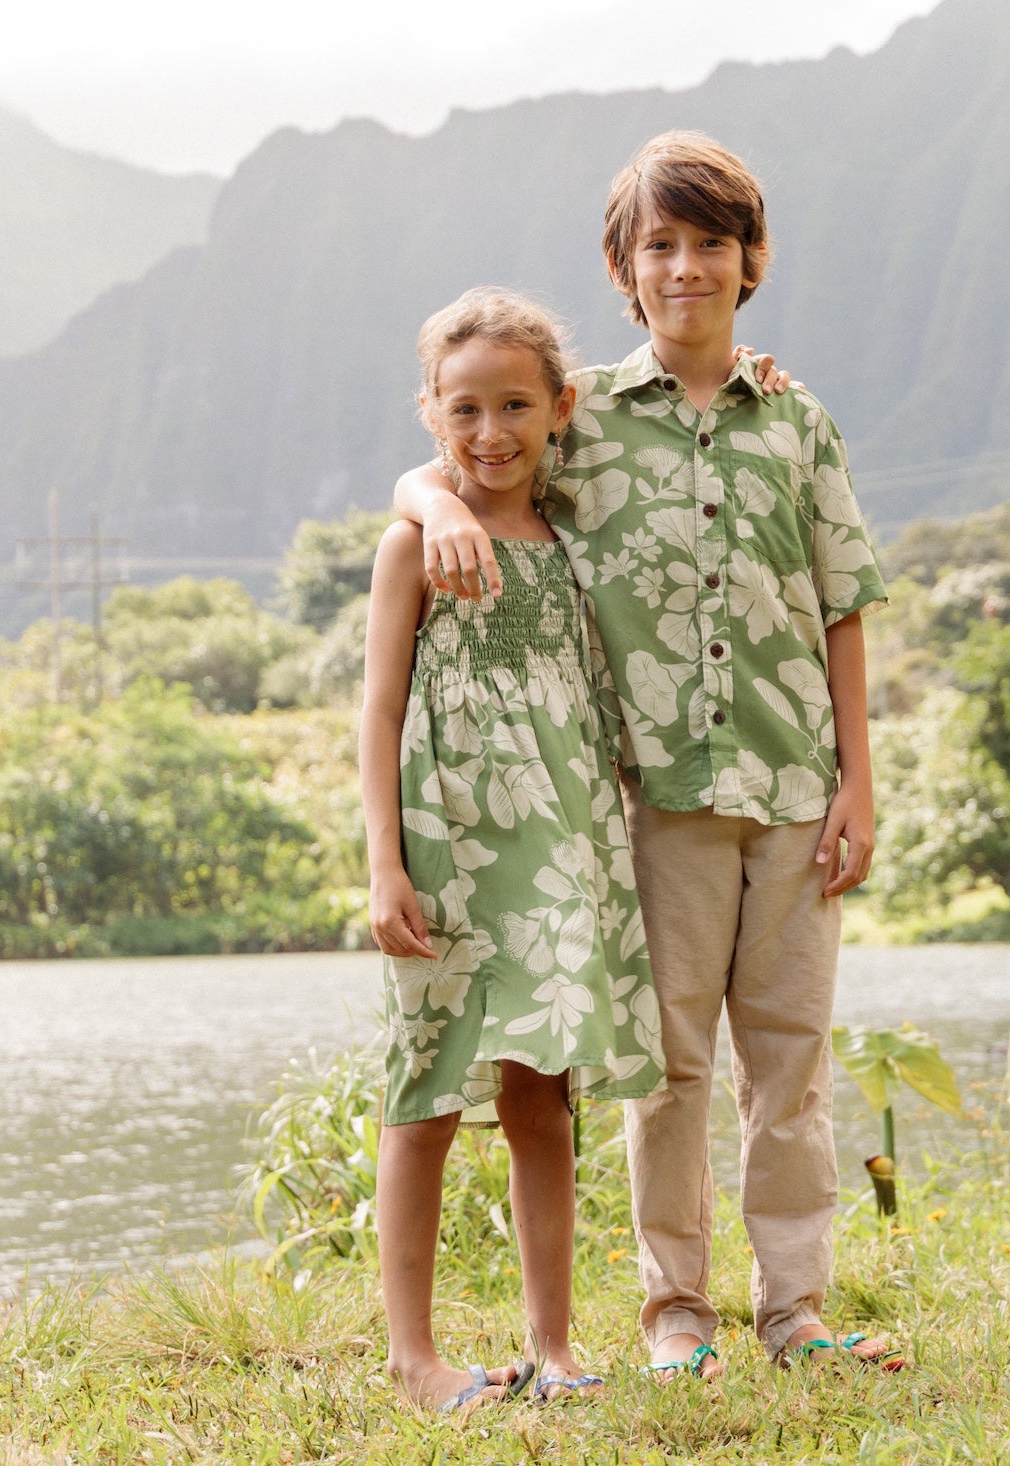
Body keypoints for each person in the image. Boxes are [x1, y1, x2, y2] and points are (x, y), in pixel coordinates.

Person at [393, 131, 896, 1378]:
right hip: (651, 793)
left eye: (709, 244)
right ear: (625, 269)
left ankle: (798, 1310)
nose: (685, 268)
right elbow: (462, 449)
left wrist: (858, 780)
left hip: (791, 783)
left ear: (750, 261)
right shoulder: (582, 419)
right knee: (666, 1067)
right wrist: (440, 502)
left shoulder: (797, 422)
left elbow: (842, 601)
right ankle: (677, 1307)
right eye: (659, 247)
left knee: (790, 1063)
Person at [360, 287, 665, 1413]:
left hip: (558, 846)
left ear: (558, 409)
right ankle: (416, 1355)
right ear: (432, 416)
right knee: (427, 1085)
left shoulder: (573, 534)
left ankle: (551, 1338)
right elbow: (378, 713)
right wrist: (385, 862)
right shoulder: (414, 540)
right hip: (447, 845)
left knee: (545, 1090)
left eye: (515, 407)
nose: (490, 432)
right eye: (465, 410)